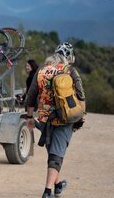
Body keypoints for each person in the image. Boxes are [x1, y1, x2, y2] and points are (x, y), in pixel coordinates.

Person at [26, 47, 86, 198]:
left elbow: (31, 96)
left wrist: (29, 117)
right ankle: (47, 191)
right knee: (56, 155)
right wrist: (81, 116)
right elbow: (81, 96)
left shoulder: (40, 71)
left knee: (53, 152)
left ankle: (58, 185)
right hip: (65, 117)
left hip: (45, 119)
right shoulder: (69, 71)